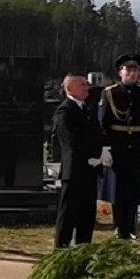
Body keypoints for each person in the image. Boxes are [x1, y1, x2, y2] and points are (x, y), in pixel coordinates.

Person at [98, 53, 140, 239]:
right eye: (128, 70)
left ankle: (131, 226)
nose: (132, 73)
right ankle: (118, 226)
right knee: (117, 188)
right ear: (120, 72)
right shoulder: (110, 93)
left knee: (134, 188)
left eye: (135, 70)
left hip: (137, 146)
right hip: (118, 145)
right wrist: (104, 147)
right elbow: (103, 123)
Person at [53, 74, 104, 248]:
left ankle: (83, 248)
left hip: (90, 169)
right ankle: (61, 249)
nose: (87, 87)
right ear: (71, 88)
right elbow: (71, 141)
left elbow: (95, 134)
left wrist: (100, 153)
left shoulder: (85, 108)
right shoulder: (65, 111)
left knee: (87, 215)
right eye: (82, 84)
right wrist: (90, 155)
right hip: (74, 170)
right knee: (68, 214)